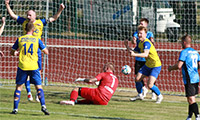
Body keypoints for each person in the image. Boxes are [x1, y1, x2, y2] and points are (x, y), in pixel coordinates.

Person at [5, 0, 65, 101]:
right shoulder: (24, 22)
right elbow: (13, 16)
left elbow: (54, 18)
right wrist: (7, 4)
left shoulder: (40, 22)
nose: (28, 17)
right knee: (26, 71)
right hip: (26, 50)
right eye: (27, 15)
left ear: (34, 16)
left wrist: (60, 10)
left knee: (37, 72)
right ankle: (29, 93)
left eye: (30, 15)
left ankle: (38, 94)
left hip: (37, 51)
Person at [10, 22, 49, 115]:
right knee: (38, 87)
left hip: (22, 66)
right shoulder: (37, 39)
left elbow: (12, 52)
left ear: (25, 29)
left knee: (19, 87)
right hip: (34, 66)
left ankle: (15, 109)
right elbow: (46, 52)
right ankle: (43, 106)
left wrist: (16, 53)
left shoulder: (20, 39)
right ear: (33, 30)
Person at [124, 25, 163, 104]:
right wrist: (127, 46)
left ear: (145, 34)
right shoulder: (140, 43)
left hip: (155, 66)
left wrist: (134, 55)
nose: (139, 35)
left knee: (150, 85)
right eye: (138, 33)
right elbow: (134, 51)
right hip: (148, 65)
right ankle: (140, 94)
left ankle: (159, 96)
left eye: (141, 33)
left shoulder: (147, 43)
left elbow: (145, 54)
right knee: (137, 78)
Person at [168, 35, 200, 120]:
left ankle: (197, 116)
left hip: (189, 78)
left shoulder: (184, 52)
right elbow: (199, 65)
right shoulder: (196, 52)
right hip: (196, 77)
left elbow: (179, 66)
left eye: (181, 42)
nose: (181, 44)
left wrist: (171, 68)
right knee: (191, 98)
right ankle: (189, 117)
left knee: (191, 99)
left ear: (184, 42)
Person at [130, 18, 157, 101]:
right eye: (140, 23)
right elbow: (133, 42)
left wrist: (152, 42)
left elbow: (152, 42)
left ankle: (153, 92)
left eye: (142, 23)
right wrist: (133, 41)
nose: (140, 25)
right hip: (138, 58)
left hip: (146, 59)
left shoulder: (149, 34)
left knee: (150, 77)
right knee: (138, 76)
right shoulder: (136, 33)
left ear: (146, 25)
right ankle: (142, 91)